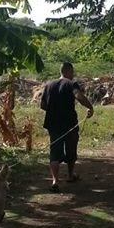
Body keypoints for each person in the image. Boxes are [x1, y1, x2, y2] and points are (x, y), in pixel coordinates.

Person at [40, 61, 94, 192]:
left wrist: (53, 109)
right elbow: (79, 96)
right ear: (69, 71)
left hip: (53, 123)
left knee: (54, 150)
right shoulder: (71, 83)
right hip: (69, 122)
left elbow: (42, 105)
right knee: (71, 148)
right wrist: (90, 107)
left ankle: (55, 181)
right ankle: (70, 175)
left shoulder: (48, 85)